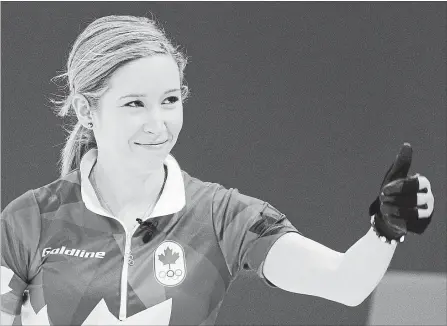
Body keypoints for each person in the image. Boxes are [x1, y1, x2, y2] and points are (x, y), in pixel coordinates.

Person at [1, 15, 435, 326]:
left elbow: (345, 283)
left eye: (170, 100)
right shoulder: (28, 221)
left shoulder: (223, 216)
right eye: (135, 103)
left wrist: (384, 229)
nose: (158, 123)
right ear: (86, 110)